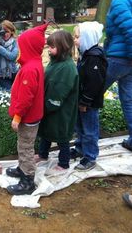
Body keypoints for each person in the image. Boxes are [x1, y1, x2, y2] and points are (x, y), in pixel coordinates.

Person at [6, 24, 47, 195]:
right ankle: (22, 168)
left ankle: (27, 180)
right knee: (23, 145)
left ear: (28, 47)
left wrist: (17, 116)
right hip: (31, 117)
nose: (18, 50)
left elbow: (25, 98)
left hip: (27, 118)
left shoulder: (30, 69)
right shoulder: (34, 63)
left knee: (25, 147)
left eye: (20, 47)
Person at [37, 30, 79, 175]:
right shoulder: (55, 62)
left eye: (52, 46)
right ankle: (43, 154)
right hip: (49, 106)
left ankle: (64, 163)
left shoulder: (67, 67)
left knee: (62, 136)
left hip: (61, 109)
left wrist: (48, 105)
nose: (49, 49)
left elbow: (60, 91)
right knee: (46, 131)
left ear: (63, 46)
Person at [70, 21, 107, 171]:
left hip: (89, 103)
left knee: (90, 129)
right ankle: (80, 148)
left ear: (88, 38)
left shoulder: (94, 57)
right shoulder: (85, 54)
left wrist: (85, 101)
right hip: (81, 100)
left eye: (77, 37)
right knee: (80, 127)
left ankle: (90, 156)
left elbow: (94, 84)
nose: (74, 40)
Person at [103, 0, 132, 152]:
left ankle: (84, 145)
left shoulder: (119, 1)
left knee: (90, 95)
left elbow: (130, 29)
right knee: (129, 101)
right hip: (129, 62)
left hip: (119, 59)